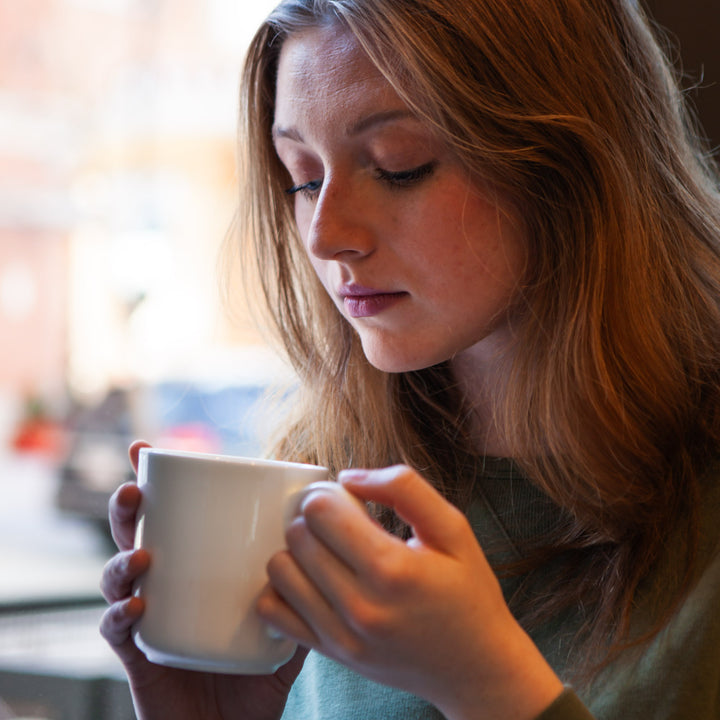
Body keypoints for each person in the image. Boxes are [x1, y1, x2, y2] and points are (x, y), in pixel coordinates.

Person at [100, 0, 720, 718]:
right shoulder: (333, 490)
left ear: (573, 163)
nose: (326, 235)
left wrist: (486, 687)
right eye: (302, 176)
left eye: (399, 167)